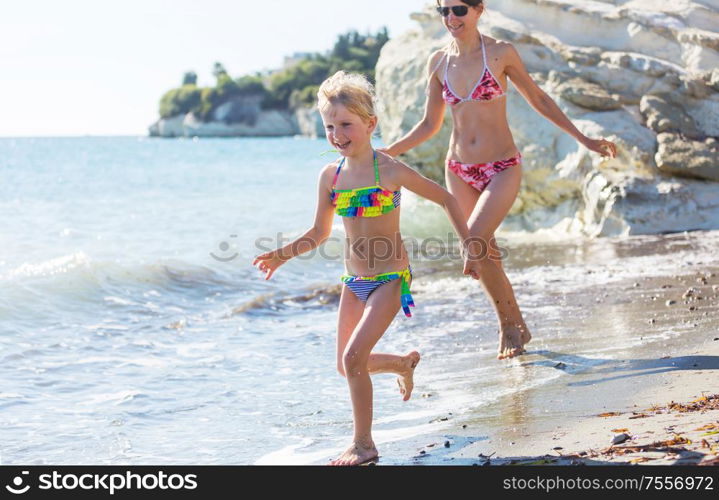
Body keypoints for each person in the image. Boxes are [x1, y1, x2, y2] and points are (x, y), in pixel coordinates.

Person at [253, 71, 481, 466]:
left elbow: (445, 197)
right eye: (329, 126)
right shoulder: (331, 177)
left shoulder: (388, 170)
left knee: (353, 359)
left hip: (391, 280)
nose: (338, 134)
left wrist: (471, 246)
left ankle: (364, 445)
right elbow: (320, 233)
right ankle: (400, 364)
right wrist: (282, 254)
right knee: (346, 366)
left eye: (346, 124)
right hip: (353, 282)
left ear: (370, 124)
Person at [382, 0, 618, 360]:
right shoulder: (438, 63)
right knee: (486, 251)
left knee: (475, 242)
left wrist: (583, 139)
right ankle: (514, 324)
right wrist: (386, 153)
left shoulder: (500, 53)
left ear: (479, 10)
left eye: (458, 9)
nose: (451, 18)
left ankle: (509, 323)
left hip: (503, 167)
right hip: (458, 169)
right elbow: (430, 125)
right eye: (443, 11)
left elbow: (538, 98)